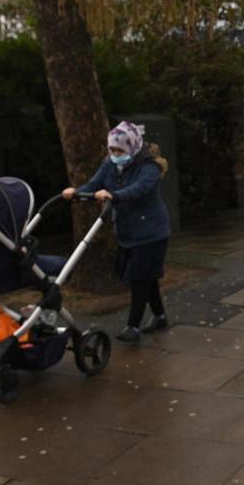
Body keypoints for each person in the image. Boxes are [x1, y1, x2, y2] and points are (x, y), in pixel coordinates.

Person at [62, 121, 170, 344]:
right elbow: (94, 184)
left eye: (119, 150)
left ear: (132, 146)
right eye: (111, 150)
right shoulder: (110, 164)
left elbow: (140, 189)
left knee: (139, 277)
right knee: (145, 276)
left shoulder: (149, 167)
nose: (114, 154)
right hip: (128, 232)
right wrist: (76, 193)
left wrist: (114, 195)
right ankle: (160, 316)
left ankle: (133, 326)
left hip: (152, 232)